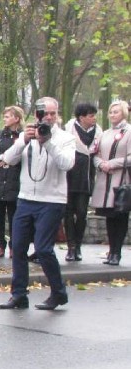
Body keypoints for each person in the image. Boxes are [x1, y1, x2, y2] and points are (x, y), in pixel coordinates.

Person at [0, 97, 75, 311]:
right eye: (44, 114)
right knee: (19, 247)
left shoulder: (65, 138)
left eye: (52, 113)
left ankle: (58, 293)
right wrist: (23, 140)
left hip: (52, 200)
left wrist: (47, 142)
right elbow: (7, 159)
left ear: (58, 114)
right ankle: (19, 294)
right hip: (25, 199)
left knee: (43, 249)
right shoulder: (26, 135)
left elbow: (67, 164)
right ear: (36, 115)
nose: (48, 118)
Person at [90, 100, 130, 265]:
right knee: (109, 217)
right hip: (104, 180)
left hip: (121, 180)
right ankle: (111, 250)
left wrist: (112, 164)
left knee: (120, 216)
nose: (112, 115)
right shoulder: (104, 133)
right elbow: (95, 153)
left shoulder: (129, 132)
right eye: (111, 112)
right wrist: (100, 164)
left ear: (124, 113)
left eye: (116, 112)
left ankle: (116, 252)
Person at [63, 103, 101, 262]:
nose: (94, 118)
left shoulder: (98, 133)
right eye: (91, 115)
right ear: (81, 117)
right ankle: (71, 246)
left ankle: (78, 244)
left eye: (94, 115)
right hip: (68, 178)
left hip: (86, 179)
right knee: (67, 214)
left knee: (82, 213)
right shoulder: (68, 129)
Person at [0, 106, 25, 258]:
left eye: (8, 116)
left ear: (16, 118)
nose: (5, 119)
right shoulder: (0, 135)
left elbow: (23, 156)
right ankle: (0, 243)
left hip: (15, 180)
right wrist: (3, 157)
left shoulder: (22, 136)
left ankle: (13, 246)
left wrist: (11, 160)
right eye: (4, 116)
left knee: (14, 216)